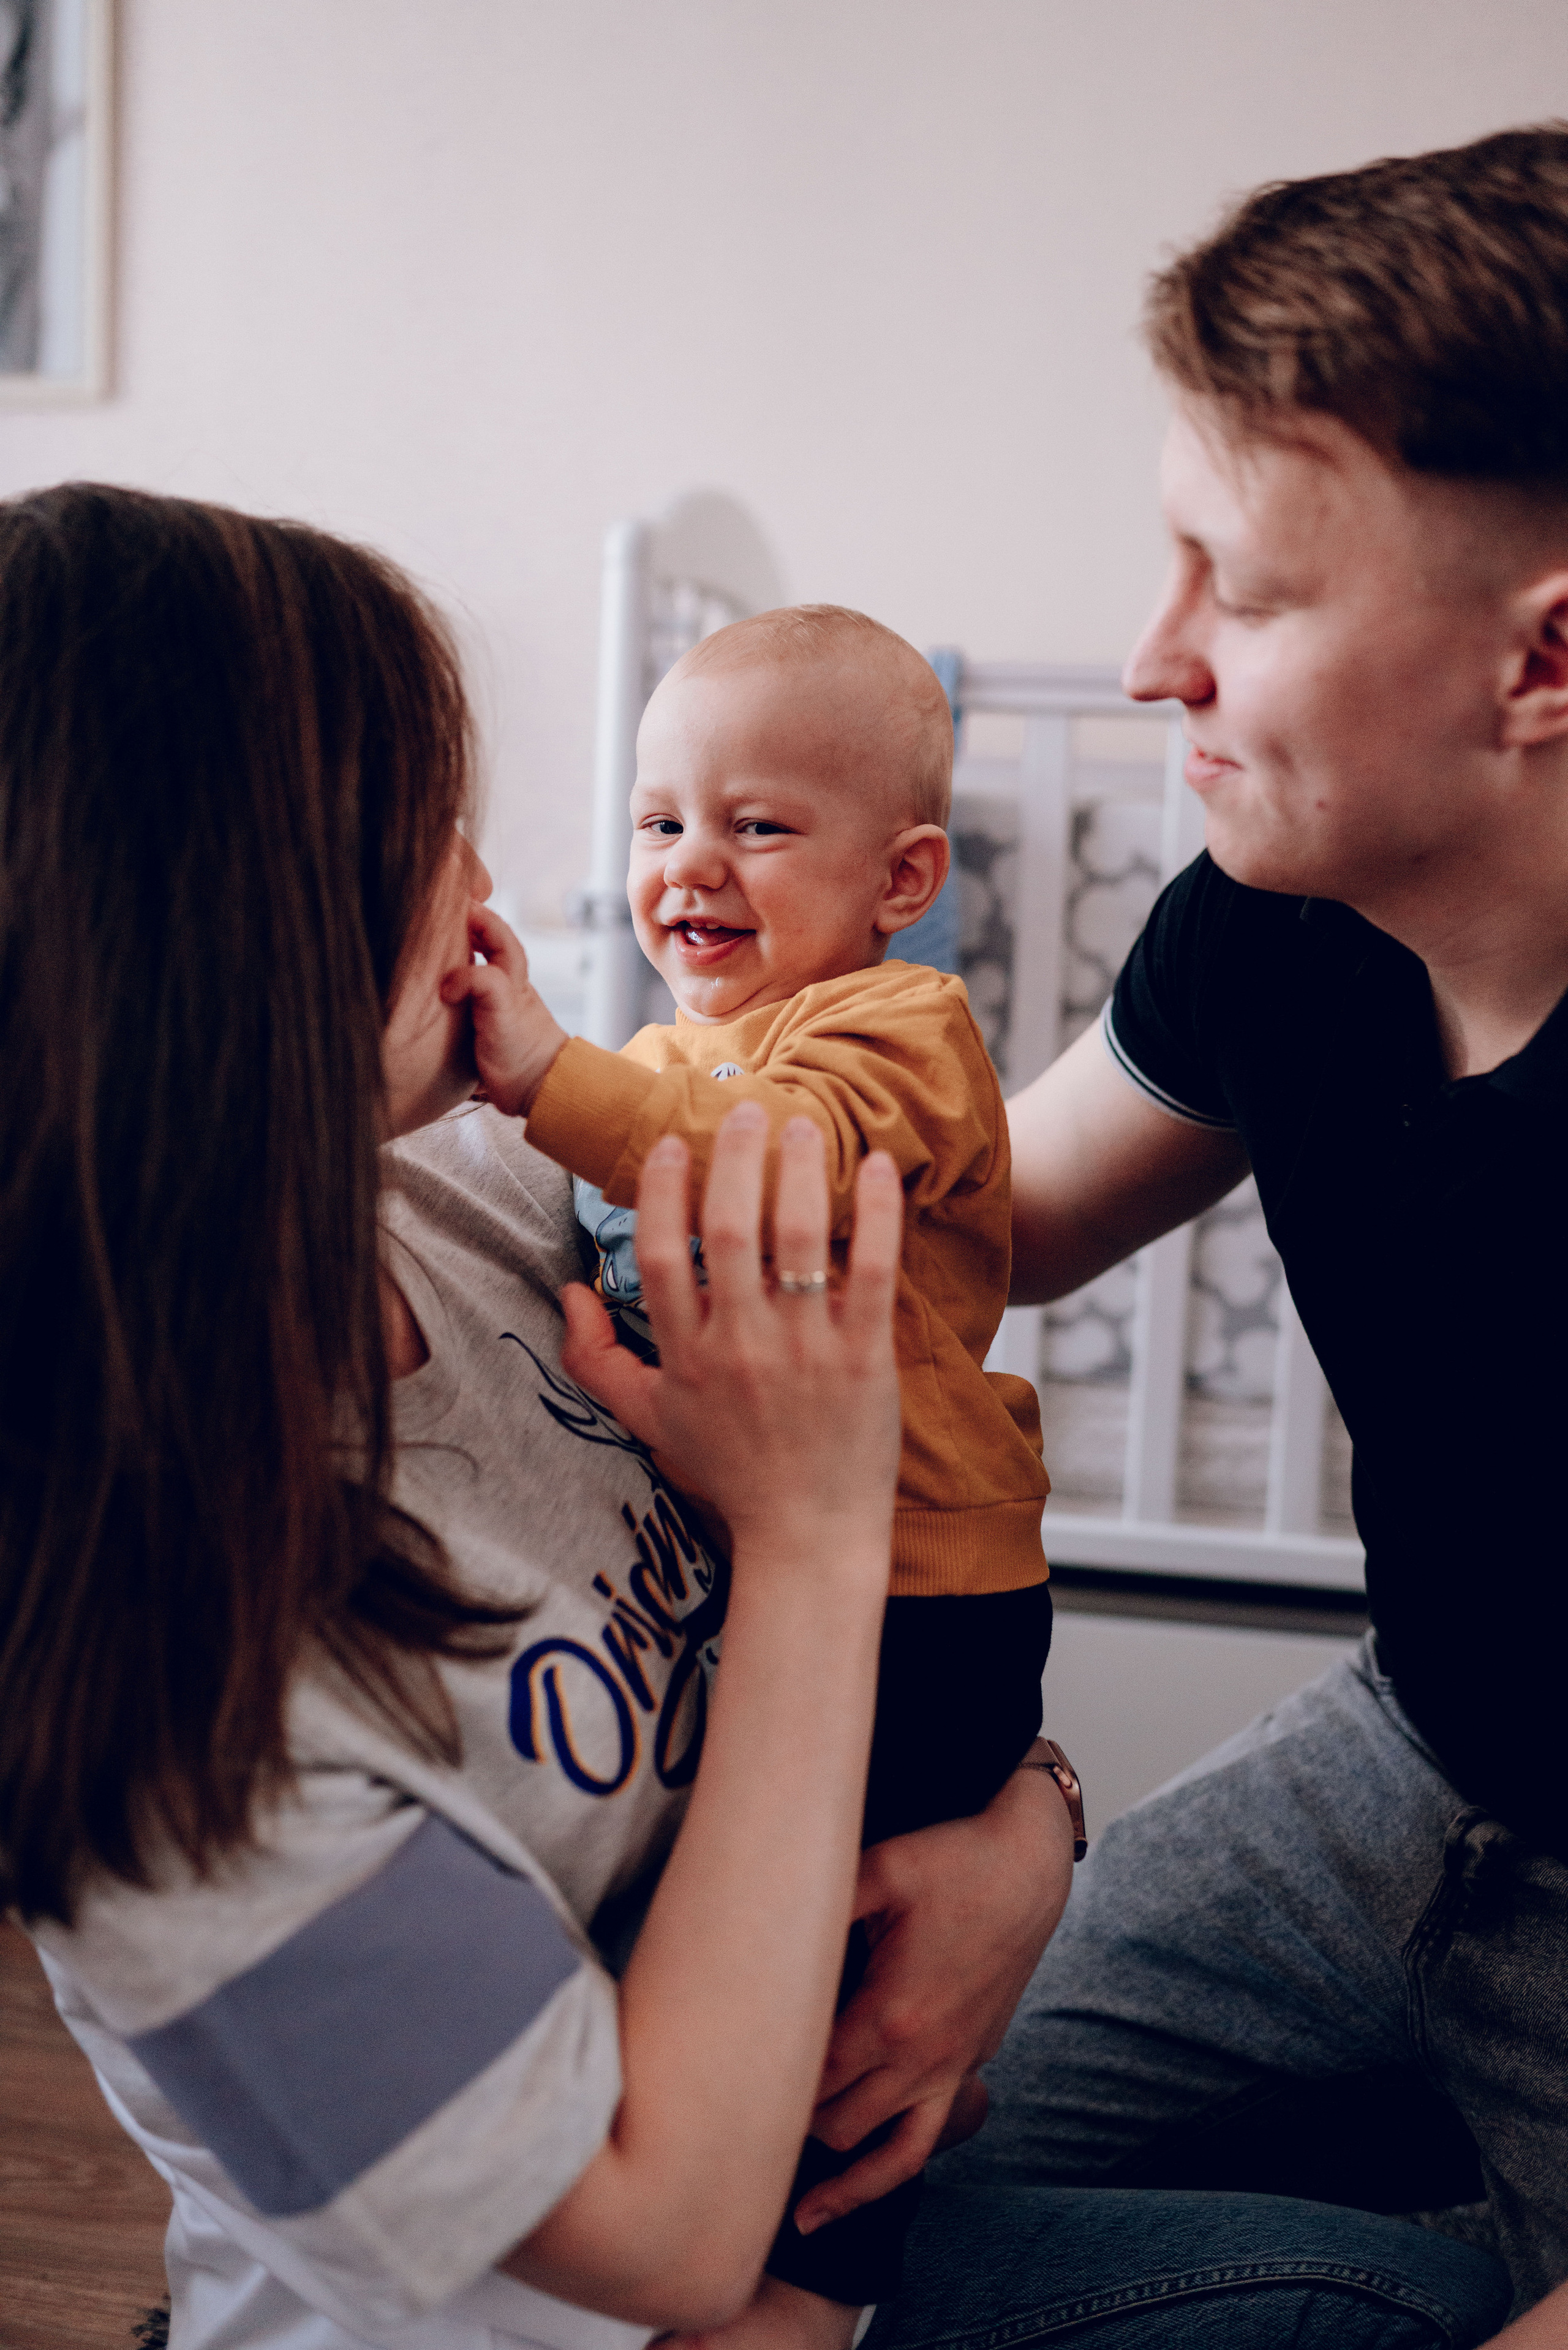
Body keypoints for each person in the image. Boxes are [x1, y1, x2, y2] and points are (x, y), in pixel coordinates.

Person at [0, 482, 1085, 2350]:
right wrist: (813, 1532)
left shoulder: (474, 1199)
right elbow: (664, 2244)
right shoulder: (168, 1693)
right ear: (245, 924)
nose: (490, 883)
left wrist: (1036, 1833)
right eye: (429, 829)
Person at [924, 121, 1568, 2350]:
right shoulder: (1278, 915)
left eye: (1248, 594)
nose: (1150, 661)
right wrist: (564, 1147)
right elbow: (999, 1223)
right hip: (1412, 1752)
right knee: (860, 2165)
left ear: (1546, 661)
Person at [432, 601, 1058, 2333]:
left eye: (760, 825)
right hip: (769, 1576)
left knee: (837, 1968)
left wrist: (550, 1078)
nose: (692, 864)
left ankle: (807, 2293)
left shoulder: (900, 1030)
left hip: (923, 1586)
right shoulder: (653, 1066)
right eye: (661, 821)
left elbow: (777, 1162)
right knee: (763, 1939)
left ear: (901, 877)